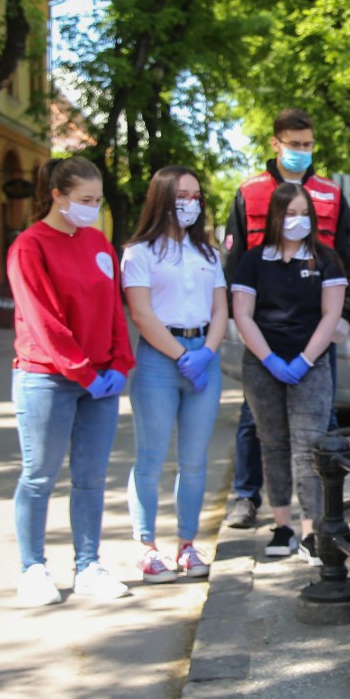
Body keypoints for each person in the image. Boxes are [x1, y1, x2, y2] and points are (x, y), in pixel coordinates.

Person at [222, 108, 350, 530]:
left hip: (316, 331)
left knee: (321, 422)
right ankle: (248, 496)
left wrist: (346, 316)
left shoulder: (330, 194)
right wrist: (239, 318)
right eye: (294, 144)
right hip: (262, 331)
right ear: (276, 143)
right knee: (255, 422)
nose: (302, 151)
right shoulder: (250, 192)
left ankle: (325, 504)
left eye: (308, 145)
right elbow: (234, 258)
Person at [8, 156, 135, 605]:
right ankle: (33, 568)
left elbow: (114, 308)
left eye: (98, 200)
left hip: (101, 379)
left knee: (91, 477)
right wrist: (81, 371)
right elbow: (43, 319)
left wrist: (120, 363)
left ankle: (88, 565)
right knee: (39, 475)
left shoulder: (98, 243)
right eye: (85, 199)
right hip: (46, 378)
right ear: (57, 196)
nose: (93, 208)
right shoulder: (29, 246)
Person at [232, 183, 346, 563]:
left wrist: (305, 360)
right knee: (273, 444)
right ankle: (282, 526)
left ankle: (311, 530)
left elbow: (331, 315)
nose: (297, 221)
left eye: (304, 213)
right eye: (289, 213)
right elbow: (243, 314)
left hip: (310, 365)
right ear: (275, 217)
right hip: (262, 364)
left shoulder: (325, 260)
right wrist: (269, 359)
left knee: (309, 446)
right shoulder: (253, 260)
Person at [122, 167, 227, 583]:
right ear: (162, 197)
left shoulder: (208, 254)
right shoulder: (139, 253)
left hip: (204, 357)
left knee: (195, 461)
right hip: (159, 360)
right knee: (150, 458)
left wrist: (206, 353)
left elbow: (220, 309)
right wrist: (181, 355)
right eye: (182, 195)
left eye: (196, 196)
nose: (190, 203)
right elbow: (141, 313)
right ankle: (146, 548)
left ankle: (187, 544)